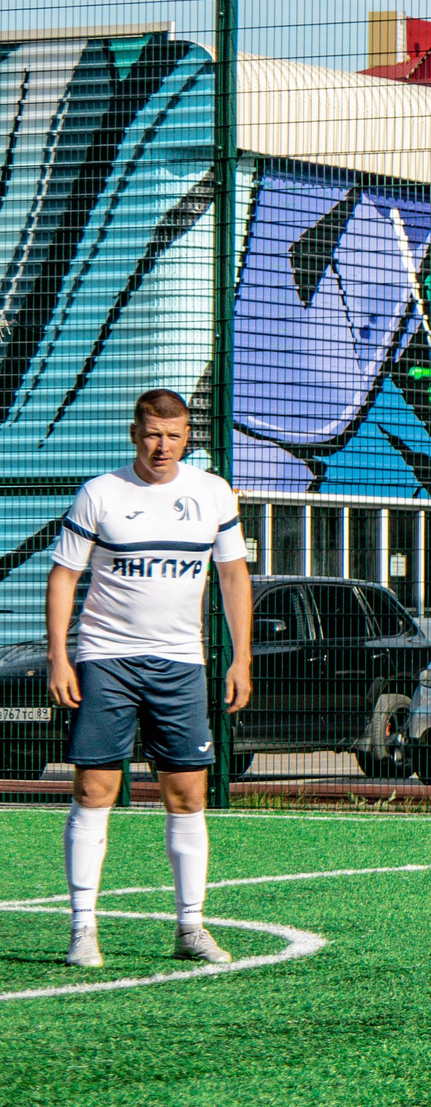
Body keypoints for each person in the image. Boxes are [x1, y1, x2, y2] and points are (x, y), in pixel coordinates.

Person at [46, 389, 253, 969]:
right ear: (134, 435)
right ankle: (83, 929)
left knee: (188, 794)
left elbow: (234, 577)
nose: (163, 446)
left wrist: (242, 658)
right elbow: (64, 579)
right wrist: (61, 658)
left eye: (175, 434)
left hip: (181, 662)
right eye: (153, 434)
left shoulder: (212, 493)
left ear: (188, 437)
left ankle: (191, 927)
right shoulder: (100, 494)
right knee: (94, 790)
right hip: (107, 659)